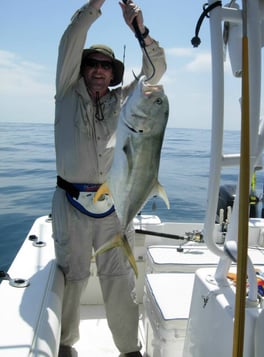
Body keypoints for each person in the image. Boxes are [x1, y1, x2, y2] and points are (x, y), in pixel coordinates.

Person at [51, 0, 166, 356]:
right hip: (70, 203)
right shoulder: (66, 91)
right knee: (72, 277)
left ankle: (130, 349)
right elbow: (72, 37)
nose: (98, 70)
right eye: (92, 64)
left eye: (105, 66)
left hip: (115, 203)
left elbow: (156, 73)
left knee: (119, 278)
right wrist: (97, 4)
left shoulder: (124, 102)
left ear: (113, 73)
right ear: (82, 68)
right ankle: (66, 343)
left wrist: (139, 29)